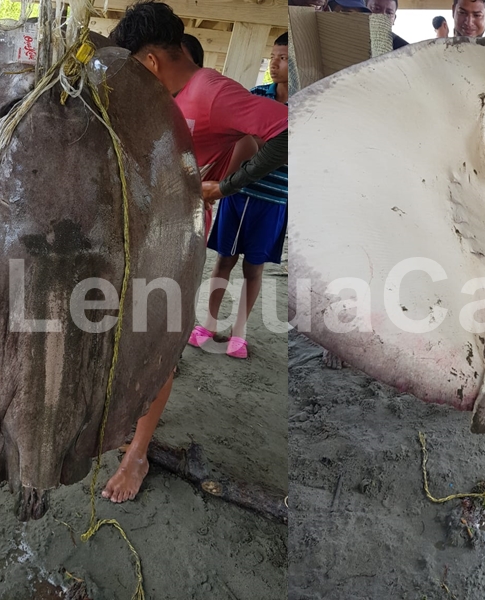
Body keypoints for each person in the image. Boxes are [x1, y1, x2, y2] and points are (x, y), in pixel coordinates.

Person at [103, 0, 287, 502]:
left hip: (175, 240)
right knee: (137, 332)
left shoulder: (211, 92)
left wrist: (227, 187)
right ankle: (135, 412)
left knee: (157, 344)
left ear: (149, 61)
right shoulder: (174, 93)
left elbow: (287, 128)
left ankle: (138, 455)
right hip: (146, 230)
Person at [201, 33, 288, 361]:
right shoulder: (257, 96)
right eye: (273, 56)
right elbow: (240, 139)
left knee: (254, 269)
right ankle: (208, 325)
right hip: (239, 192)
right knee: (223, 260)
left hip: (274, 200)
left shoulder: (307, 105)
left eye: (283, 59)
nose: (275, 64)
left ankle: (239, 333)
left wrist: (262, 142)